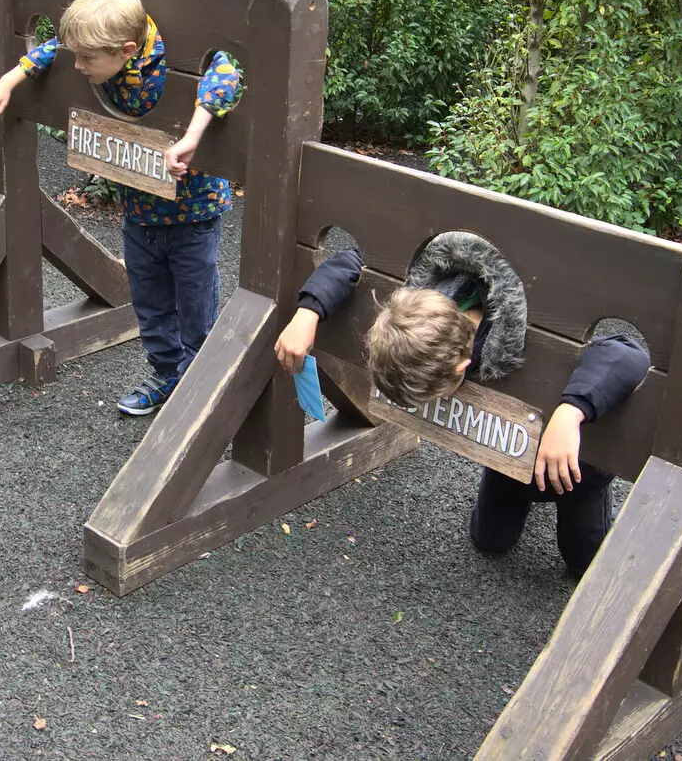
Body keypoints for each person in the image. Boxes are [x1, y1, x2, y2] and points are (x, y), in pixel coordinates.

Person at [273, 232, 650, 575]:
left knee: (585, 563)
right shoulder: (419, 303)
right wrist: (309, 312)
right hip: (508, 458)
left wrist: (572, 412)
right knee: (489, 540)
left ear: (463, 368)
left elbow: (629, 352)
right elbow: (355, 259)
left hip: (577, 468)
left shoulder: (529, 326)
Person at [0, 0, 242, 416]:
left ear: (126, 51)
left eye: (88, 59)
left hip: (193, 211)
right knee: (150, 302)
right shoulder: (91, 51)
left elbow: (227, 73)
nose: (78, 66)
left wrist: (193, 135)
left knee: (196, 307)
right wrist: (7, 82)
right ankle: (165, 373)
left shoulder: (181, 58)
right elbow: (51, 52)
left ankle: (198, 391)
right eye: (76, 56)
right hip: (137, 208)